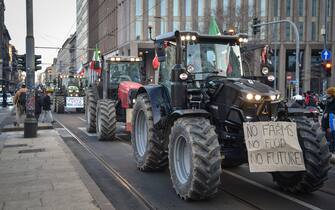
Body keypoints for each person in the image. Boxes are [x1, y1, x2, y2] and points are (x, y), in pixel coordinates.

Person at [322, 87, 335, 153]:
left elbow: (332, 112)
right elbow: (325, 109)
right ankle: (326, 150)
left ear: (332, 94)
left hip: (331, 123)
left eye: (328, 93)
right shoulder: (328, 100)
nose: (327, 94)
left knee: (331, 138)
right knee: (325, 137)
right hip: (325, 123)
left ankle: (331, 150)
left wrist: (329, 113)